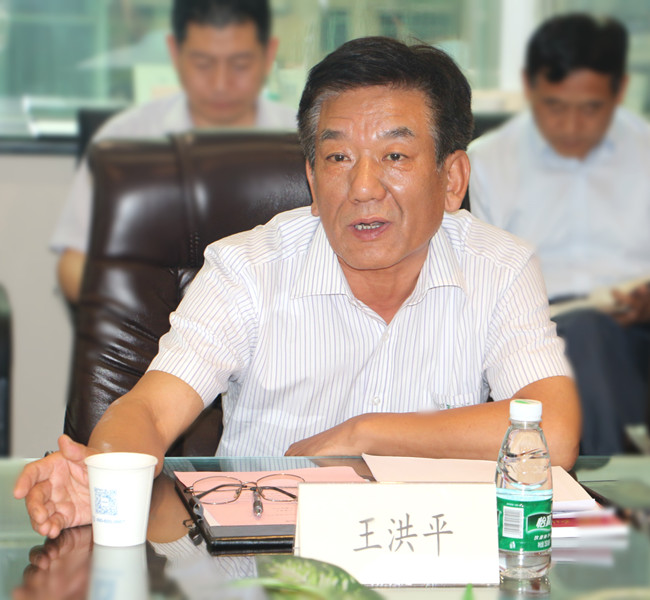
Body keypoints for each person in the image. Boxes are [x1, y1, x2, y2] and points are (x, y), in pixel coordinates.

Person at [15, 36, 580, 539]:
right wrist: (104, 478)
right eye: (337, 157)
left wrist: (367, 435)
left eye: (394, 156)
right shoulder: (247, 269)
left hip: (432, 555)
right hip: (261, 563)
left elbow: (552, 431)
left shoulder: (499, 268)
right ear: (311, 177)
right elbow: (149, 413)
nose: (363, 187)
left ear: (452, 178)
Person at [468, 13, 650, 455]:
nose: (570, 126)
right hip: (538, 333)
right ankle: (620, 477)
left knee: (592, 335)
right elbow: (480, 276)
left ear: (620, 92)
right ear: (528, 86)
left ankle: (598, 481)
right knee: (585, 334)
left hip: (639, 327)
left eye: (590, 108)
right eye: (554, 106)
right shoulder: (487, 161)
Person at [52, 0, 296, 303]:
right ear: (174, 53)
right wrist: (136, 312)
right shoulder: (124, 140)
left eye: (240, 65)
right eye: (203, 64)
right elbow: (73, 263)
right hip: (152, 323)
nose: (221, 84)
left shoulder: (302, 141)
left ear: (269, 54)